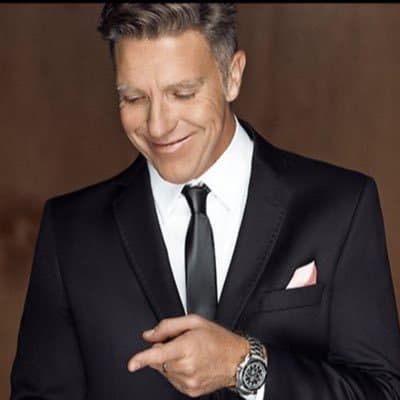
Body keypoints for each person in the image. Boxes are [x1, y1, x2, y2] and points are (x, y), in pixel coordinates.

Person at [10, 3, 400, 400]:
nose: (158, 126)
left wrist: (242, 365)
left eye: (182, 93)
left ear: (233, 75)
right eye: (134, 98)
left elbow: (383, 392)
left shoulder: (340, 207)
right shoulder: (70, 231)